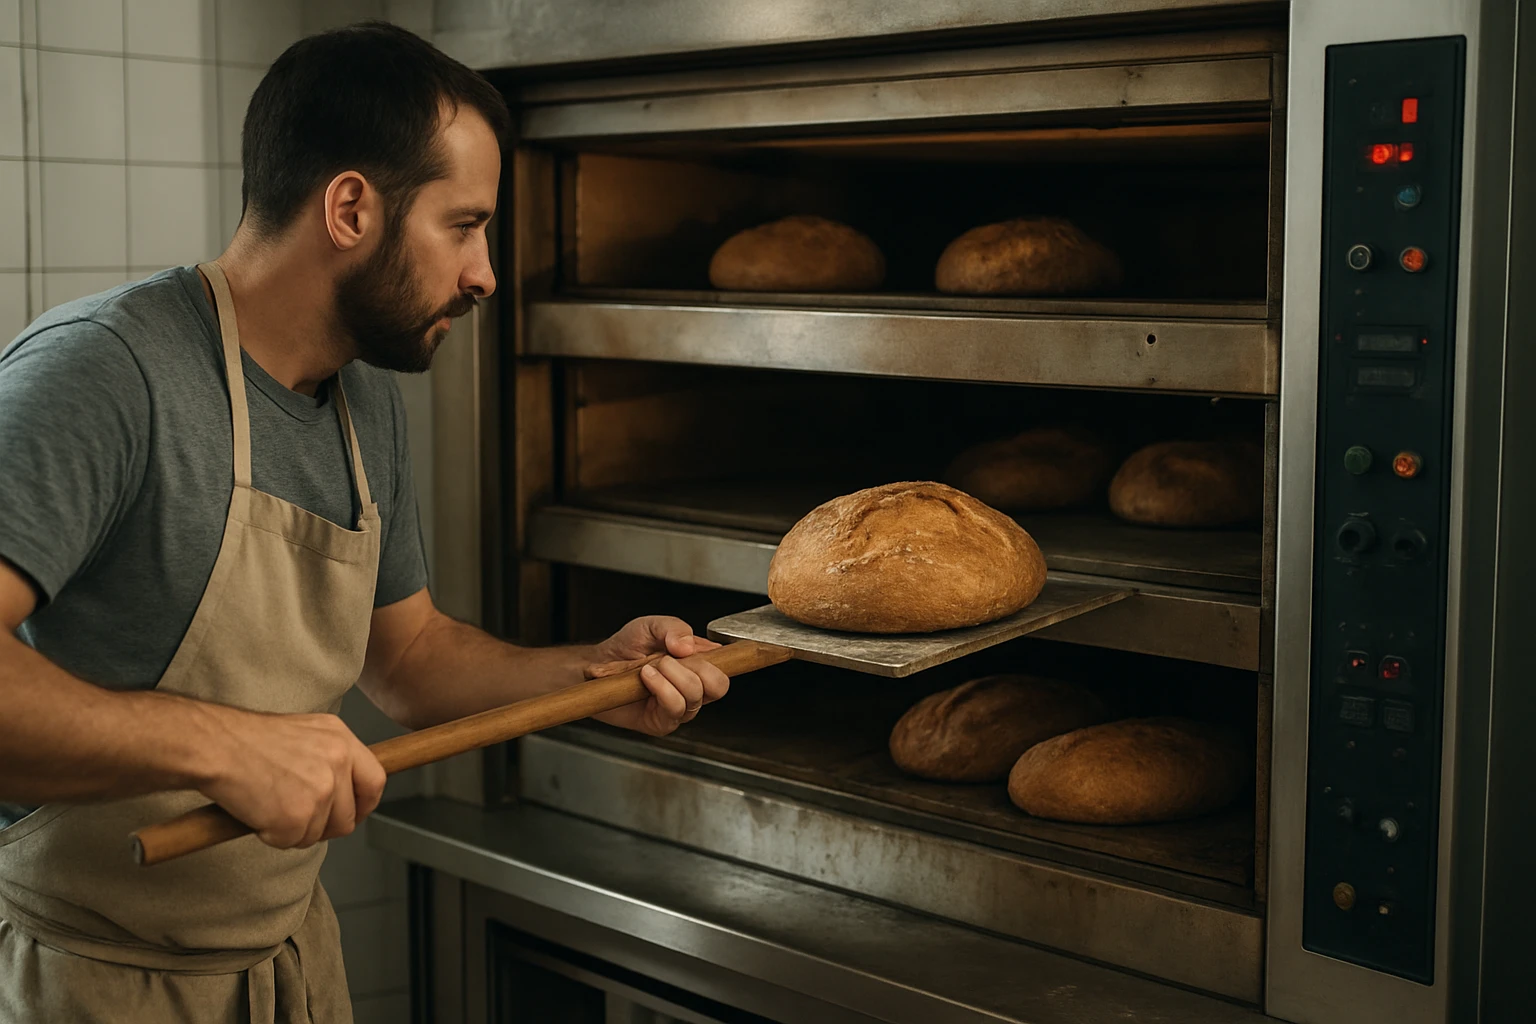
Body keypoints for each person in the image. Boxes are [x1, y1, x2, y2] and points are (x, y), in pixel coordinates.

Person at [0, 22, 731, 1023]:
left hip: (288, 969)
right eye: (463, 225)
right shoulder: (105, 374)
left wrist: (592, 678)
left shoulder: (361, 400)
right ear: (351, 207)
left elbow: (411, 660)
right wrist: (226, 747)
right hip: (92, 982)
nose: (484, 274)